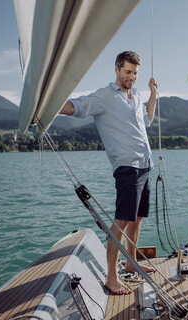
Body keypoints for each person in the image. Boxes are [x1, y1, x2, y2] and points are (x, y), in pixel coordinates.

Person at [59, 51, 158, 295]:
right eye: (127, 72)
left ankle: (131, 263)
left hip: (145, 164)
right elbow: (77, 106)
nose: (131, 77)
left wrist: (153, 94)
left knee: (138, 218)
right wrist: (48, 107)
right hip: (126, 168)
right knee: (122, 221)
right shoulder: (105, 96)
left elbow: (148, 119)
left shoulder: (136, 95)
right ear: (116, 69)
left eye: (135, 73)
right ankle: (111, 277)